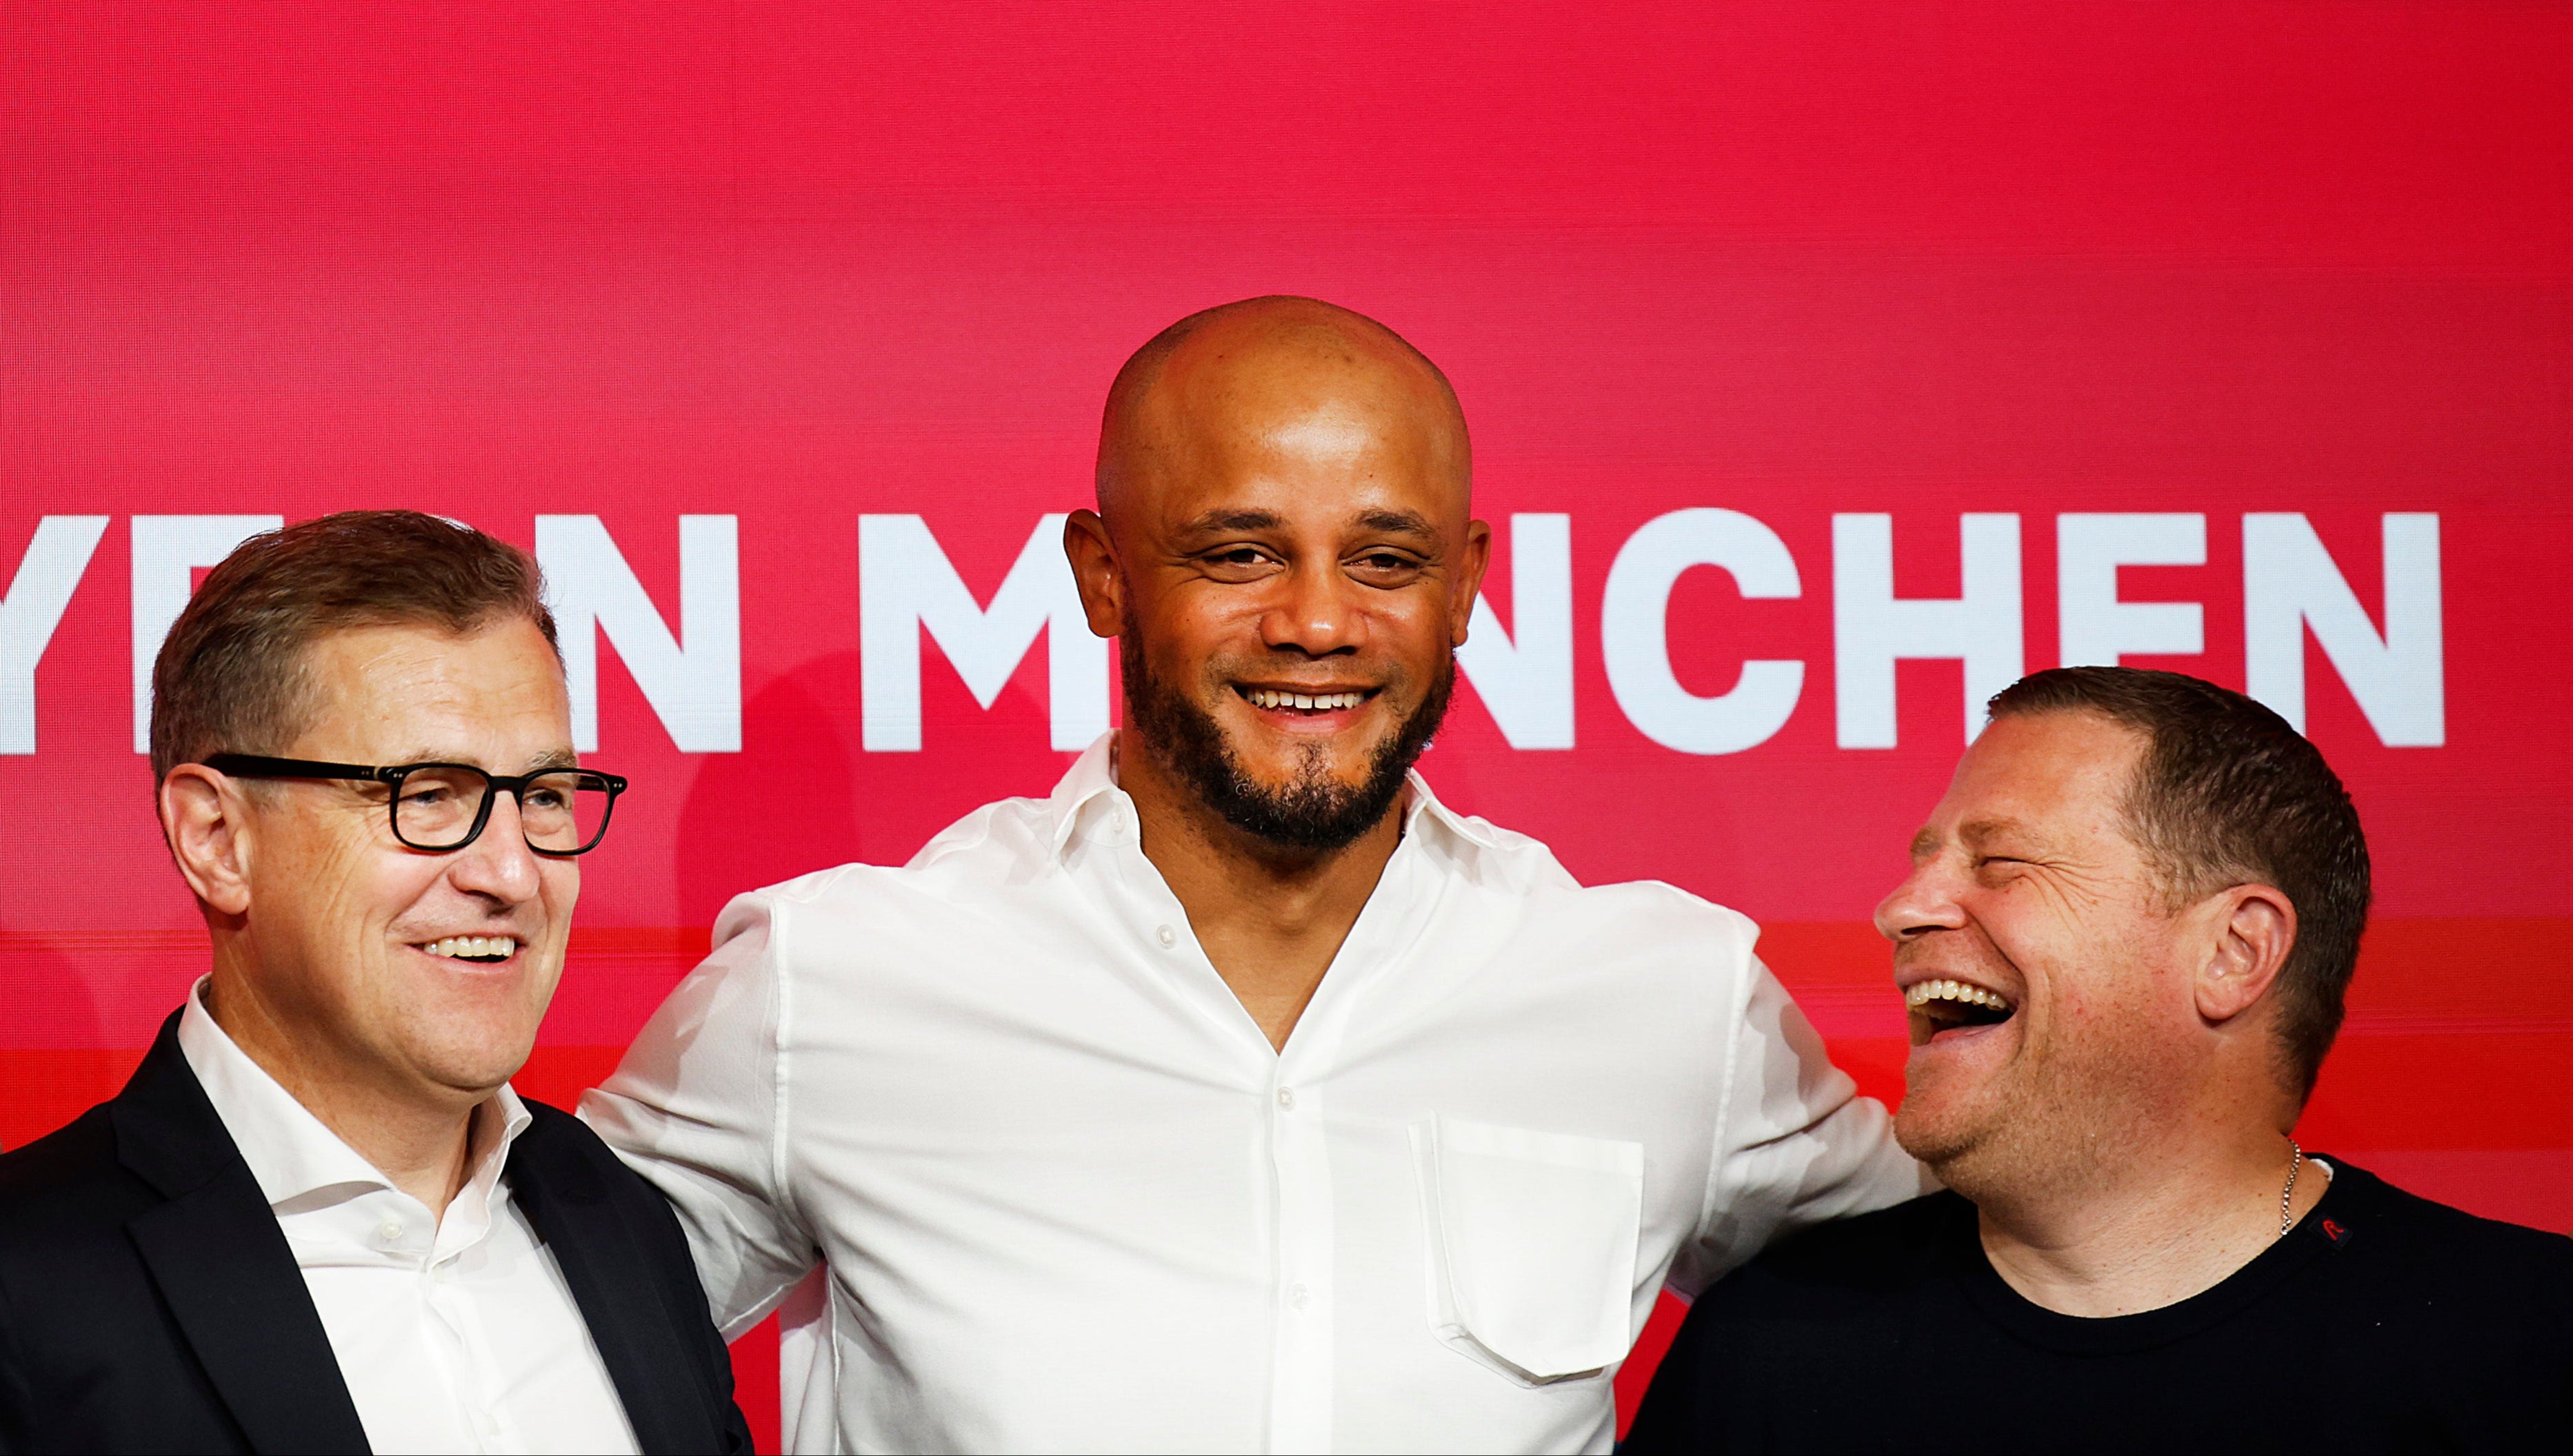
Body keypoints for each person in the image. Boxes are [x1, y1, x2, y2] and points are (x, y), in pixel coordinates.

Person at [583, 297, 1928, 1454]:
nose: (1319, 621)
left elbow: (1986, 1302)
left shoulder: (1671, 996)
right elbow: (510, 1327)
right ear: (1104, 577)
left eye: (1385, 559)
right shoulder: (835, 977)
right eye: (1239, 552)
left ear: (1466, 584)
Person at [1625, 665, 2573, 1454]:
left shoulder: (2527, 1345)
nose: (1902, 909)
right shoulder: (1771, 1350)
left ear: (2234, 952)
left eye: (2001, 864)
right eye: (1926, 860)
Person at [0, 512, 752, 1455]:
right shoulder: (31, 1284)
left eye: (546, 797)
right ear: (217, 841)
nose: (513, 876)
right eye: (429, 795)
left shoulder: (622, 1219)